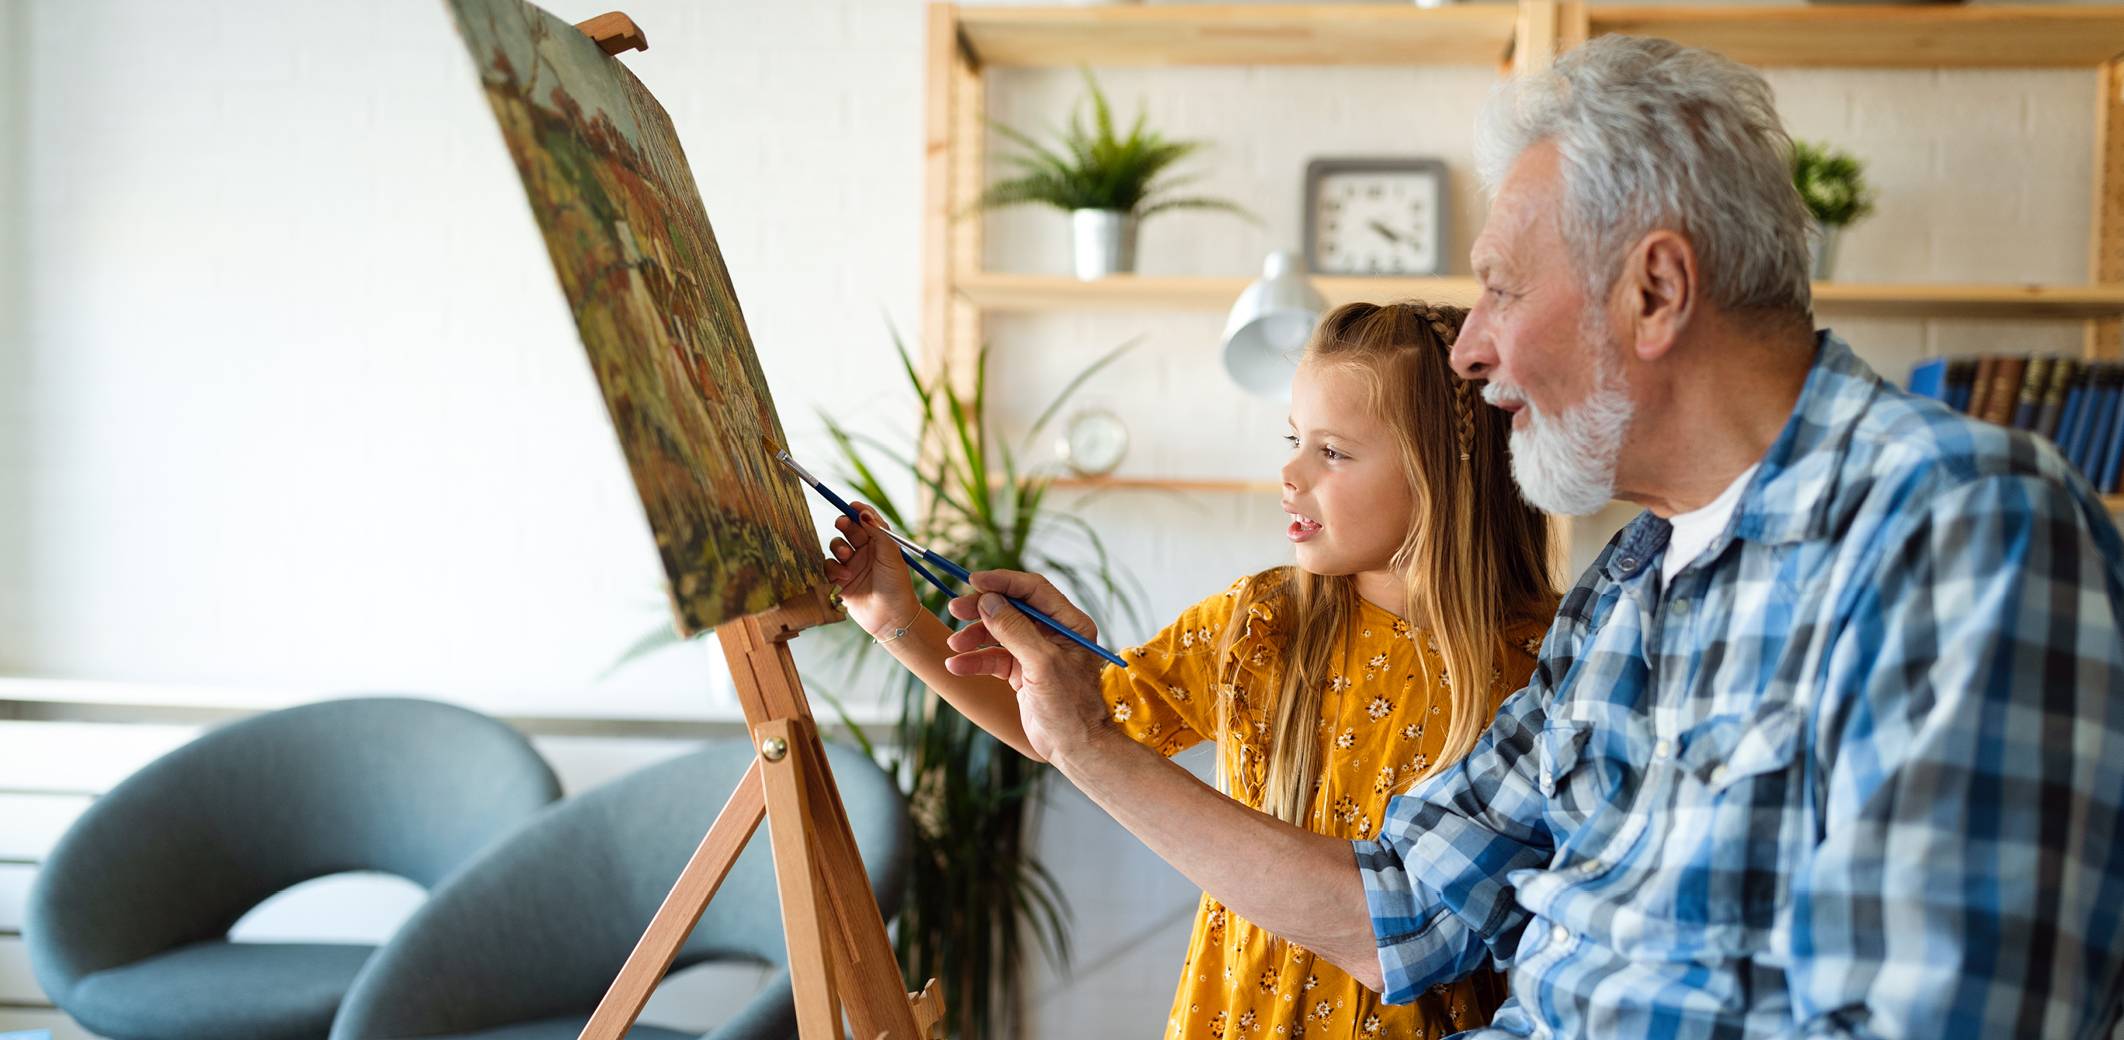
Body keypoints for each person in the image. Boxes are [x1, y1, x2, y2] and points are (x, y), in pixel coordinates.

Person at [935, 34, 2124, 1038]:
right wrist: (1089, 742)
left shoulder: (1960, 529)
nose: (1470, 351)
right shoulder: (1627, 589)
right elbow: (1403, 902)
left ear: (1655, 291)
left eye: (1503, 288)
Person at [824, 301, 1558, 1039]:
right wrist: (897, 618)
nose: (1290, 472)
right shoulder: (1257, 623)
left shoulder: (1546, 666)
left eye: (1331, 452)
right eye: (1294, 439)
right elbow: (1057, 726)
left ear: (1444, 473)